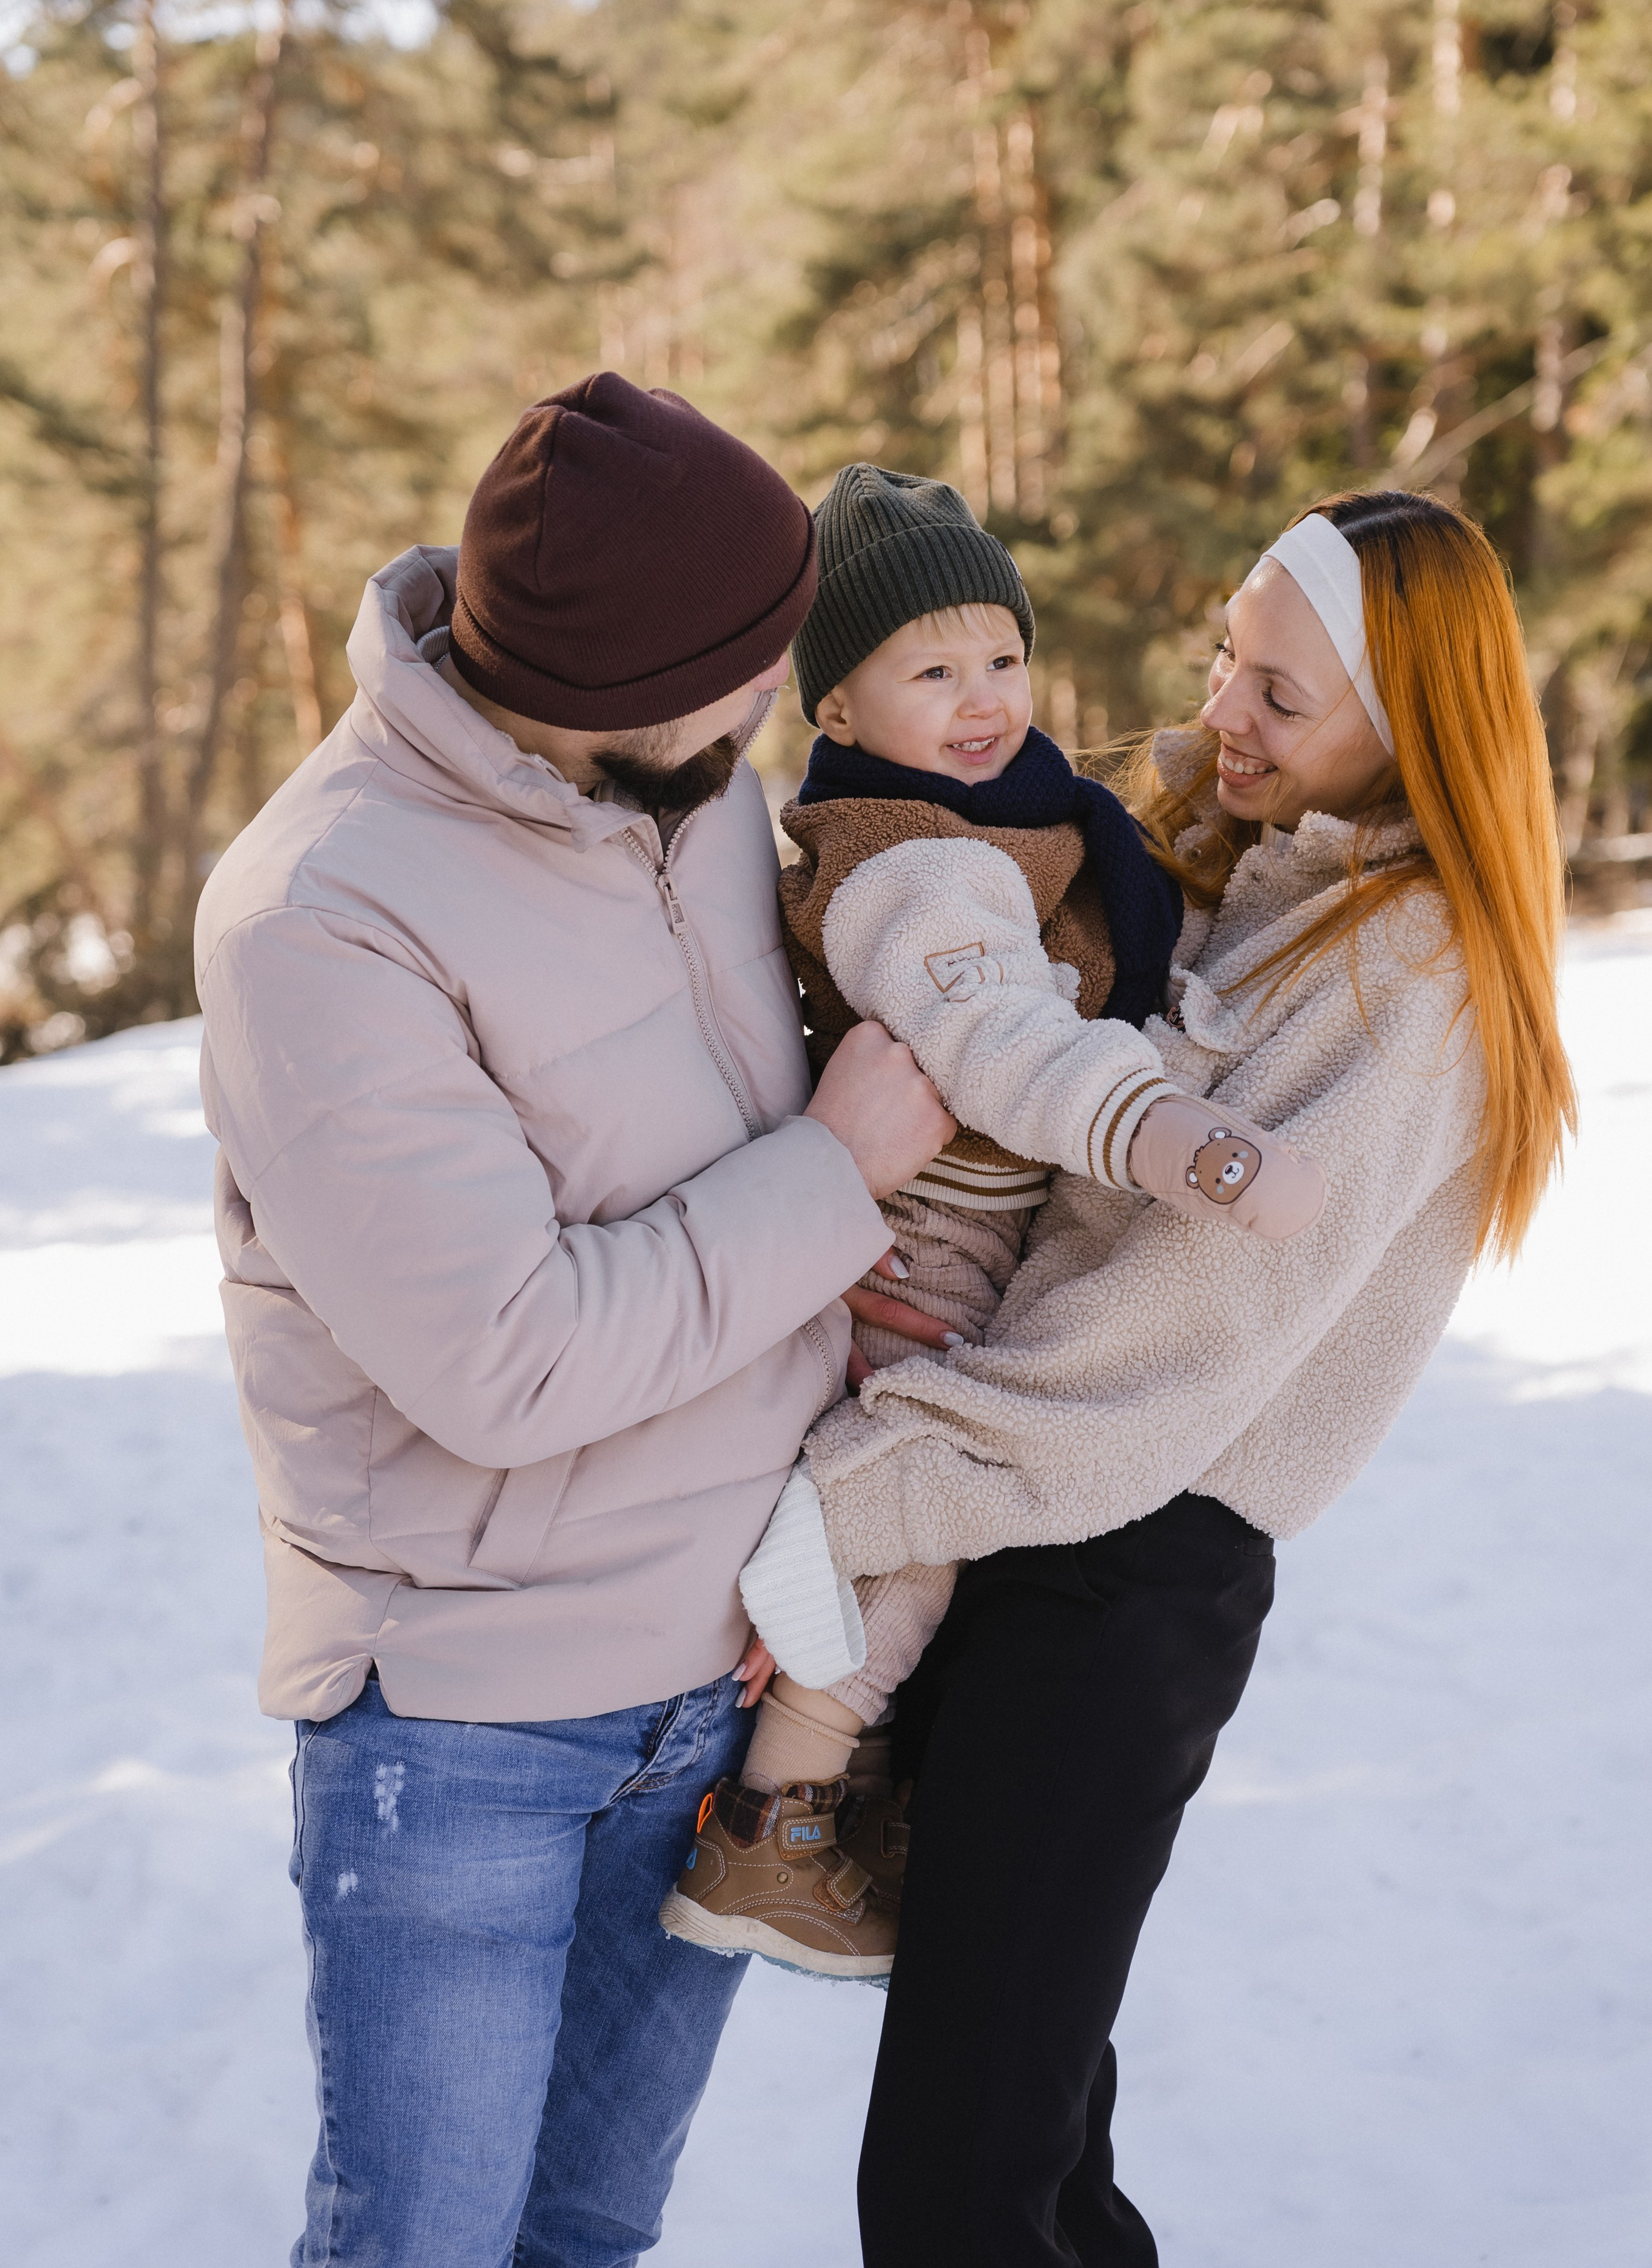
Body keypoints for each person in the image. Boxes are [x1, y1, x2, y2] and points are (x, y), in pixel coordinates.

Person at [193, 374, 952, 2268]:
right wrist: (838, 1172)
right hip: (466, 1730)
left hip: (719, 1680)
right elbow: (508, 1361)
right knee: (428, 2252)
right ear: (613, 696)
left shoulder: (689, 788)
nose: (776, 698)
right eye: (752, 671)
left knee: (592, 2231)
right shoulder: (322, 913)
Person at [774, 489, 1571, 2264]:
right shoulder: (1244, 871)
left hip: (1121, 1566)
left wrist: (841, 1500)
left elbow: (1165, 1335)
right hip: (1038, 1524)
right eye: (1229, 657)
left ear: (1408, 726)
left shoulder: (1413, 965)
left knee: (961, 2187)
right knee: (1035, 2156)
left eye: (1281, 696)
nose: (1224, 712)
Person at [660, 466, 1323, 1981]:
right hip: (920, 1258)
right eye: (931, 670)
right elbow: (997, 1039)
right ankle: (779, 1821)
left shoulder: (1014, 816)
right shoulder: (909, 860)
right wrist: (1175, 1136)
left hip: (957, 1239)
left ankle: (840, 1774)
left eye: (1001, 660)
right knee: (927, 1525)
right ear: (833, 711)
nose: (981, 699)